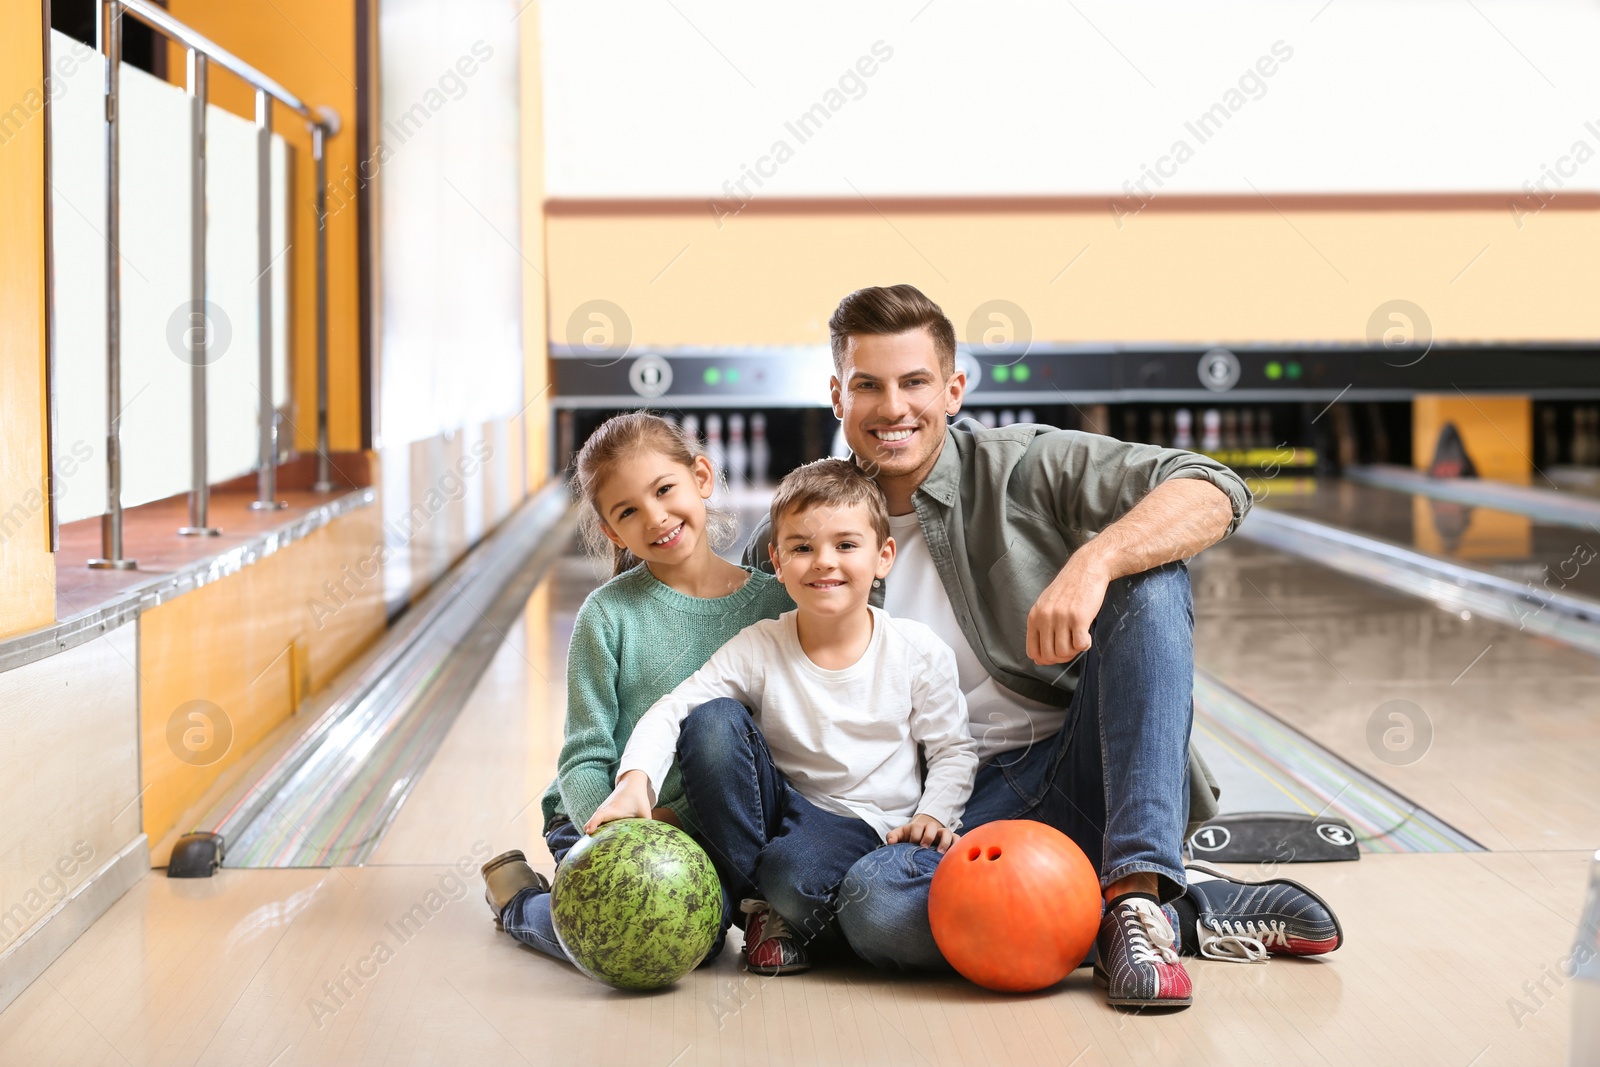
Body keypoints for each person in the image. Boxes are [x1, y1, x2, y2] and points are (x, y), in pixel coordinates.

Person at [737, 285, 1343, 1010]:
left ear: (954, 389)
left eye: (915, 382)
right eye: (869, 384)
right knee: (875, 909)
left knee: (1146, 580)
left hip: (1075, 778)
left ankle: (1139, 891)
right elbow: (707, 679)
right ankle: (1174, 916)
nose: (892, 406)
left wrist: (1095, 562)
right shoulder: (799, 541)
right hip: (931, 812)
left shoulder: (1025, 465)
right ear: (838, 396)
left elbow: (1212, 484)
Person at [587, 459, 979, 976]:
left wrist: (934, 815)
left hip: (877, 828)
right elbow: (675, 708)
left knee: (819, 882)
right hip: (787, 816)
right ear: (776, 559)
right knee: (713, 723)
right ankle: (771, 908)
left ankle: (795, 915)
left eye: (845, 545)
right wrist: (633, 779)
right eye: (801, 548)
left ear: (883, 556)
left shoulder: (916, 651)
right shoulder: (761, 645)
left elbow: (953, 749)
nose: (823, 562)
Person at [479, 412, 794, 967]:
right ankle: (521, 903)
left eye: (664, 489)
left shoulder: (778, 605)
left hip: (718, 833)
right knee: (650, 936)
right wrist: (618, 831)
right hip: (606, 820)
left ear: (701, 476)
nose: (655, 518)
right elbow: (583, 758)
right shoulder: (607, 615)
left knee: (695, 930)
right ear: (611, 531)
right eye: (628, 511)